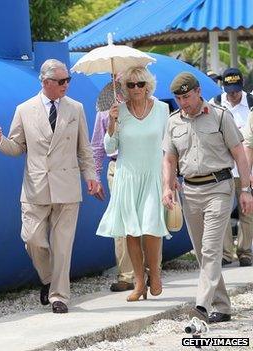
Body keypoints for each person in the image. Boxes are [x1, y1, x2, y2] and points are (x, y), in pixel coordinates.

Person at [0, 59, 100, 314]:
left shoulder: (76, 109)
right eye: (61, 81)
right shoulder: (24, 110)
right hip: (36, 187)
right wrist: (0, 140)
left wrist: (91, 176)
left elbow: (84, 149)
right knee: (32, 239)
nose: (66, 85)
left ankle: (60, 296)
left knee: (62, 246)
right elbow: (17, 147)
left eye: (68, 80)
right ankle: (49, 279)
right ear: (46, 82)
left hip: (67, 186)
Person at [162, 72, 253, 324]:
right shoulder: (173, 122)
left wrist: (245, 189)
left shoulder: (220, 116)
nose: (183, 102)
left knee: (211, 249)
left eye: (187, 96)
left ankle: (201, 306)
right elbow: (168, 158)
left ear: (198, 91)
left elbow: (240, 154)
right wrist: (167, 187)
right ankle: (223, 307)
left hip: (219, 188)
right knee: (204, 254)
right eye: (179, 98)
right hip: (190, 191)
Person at [96, 67, 169, 302]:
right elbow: (109, 147)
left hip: (152, 176)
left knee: (150, 227)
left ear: (148, 85)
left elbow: (170, 146)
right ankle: (139, 283)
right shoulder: (118, 112)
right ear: (124, 88)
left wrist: (171, 178)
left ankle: (154, 274)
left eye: (140, 84)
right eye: (130, 85)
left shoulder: (162, 109)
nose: (136, 88)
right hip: (127, 176)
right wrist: (111, 123)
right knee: (131, 231)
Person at [91, 83, 135, 292]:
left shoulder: (142, 108)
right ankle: (127, 275)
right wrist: (95, 176)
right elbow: (98, 145)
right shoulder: (104, 111)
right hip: (116, 167)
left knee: (145, 217)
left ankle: (149, 269)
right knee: (121, 221)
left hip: (140, 165)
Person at [210, 68, 253, 267]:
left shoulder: (251, 104)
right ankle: (226, 253)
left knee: (248, 211)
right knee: (223, 212)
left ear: (242, 86)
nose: (232, 95)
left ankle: (245, 252)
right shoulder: (215, 104)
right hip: (224, 169)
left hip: (248, 169)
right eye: (229, 90)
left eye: (236, 90)